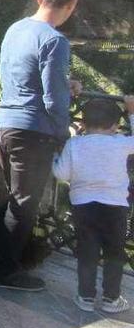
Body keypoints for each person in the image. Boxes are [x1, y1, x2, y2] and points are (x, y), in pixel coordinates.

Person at [0, 0, 83, 291]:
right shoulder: (55, 40)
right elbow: (54, 98)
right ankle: (7, 271)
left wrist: (61, 86)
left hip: (4, 124)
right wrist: (62, 132)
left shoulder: (16, 29)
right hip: (32, 131)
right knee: (25, 204)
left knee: (16, 197)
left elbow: (18, 74)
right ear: (72, 5)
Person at [53, 96, 134, 313]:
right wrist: (132, 112)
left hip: (83, 206)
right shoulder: (121, 143)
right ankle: (111, 299)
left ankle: (85, 297)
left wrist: (53, 158)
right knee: (114, 253)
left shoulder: (74, 144)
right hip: (115, 207)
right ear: (116, 125)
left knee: (87, 252)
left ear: (83, 124)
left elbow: (61, 174)